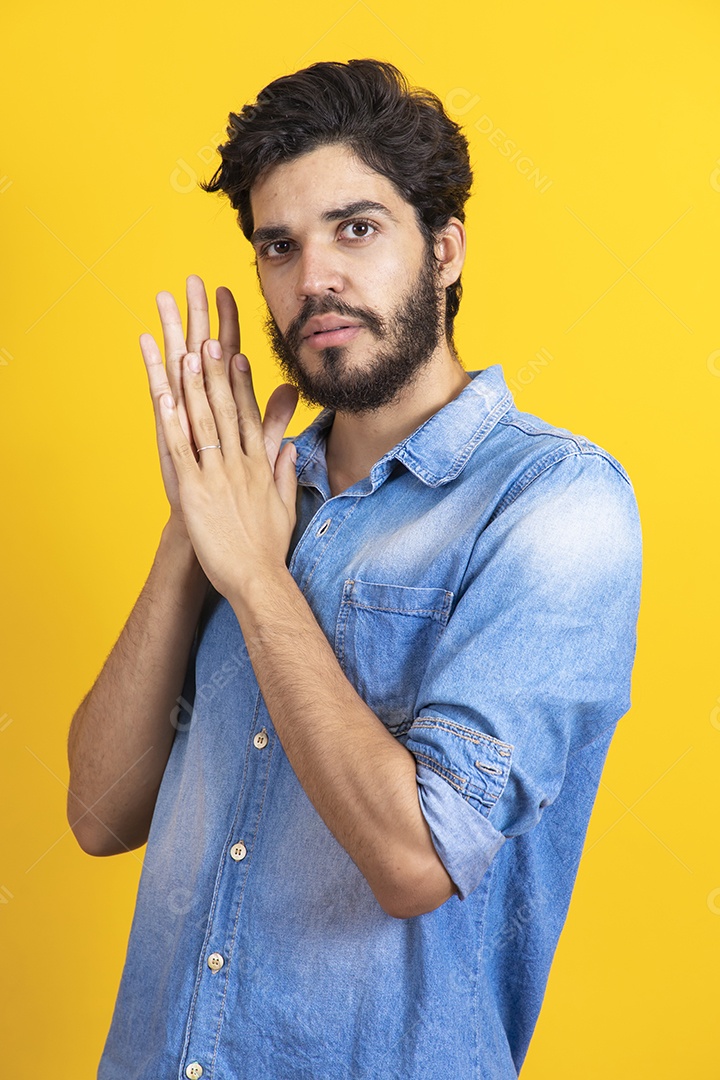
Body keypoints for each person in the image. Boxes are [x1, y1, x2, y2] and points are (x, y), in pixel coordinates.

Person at [67, 59, 642, 1079]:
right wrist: (190, 534)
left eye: (357, 229)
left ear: (446, 250)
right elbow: (99, 815)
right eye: (278, 247)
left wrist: (253, 576)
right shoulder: (249, 499)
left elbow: (416, 860)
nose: (314, 277)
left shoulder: (557, 504)